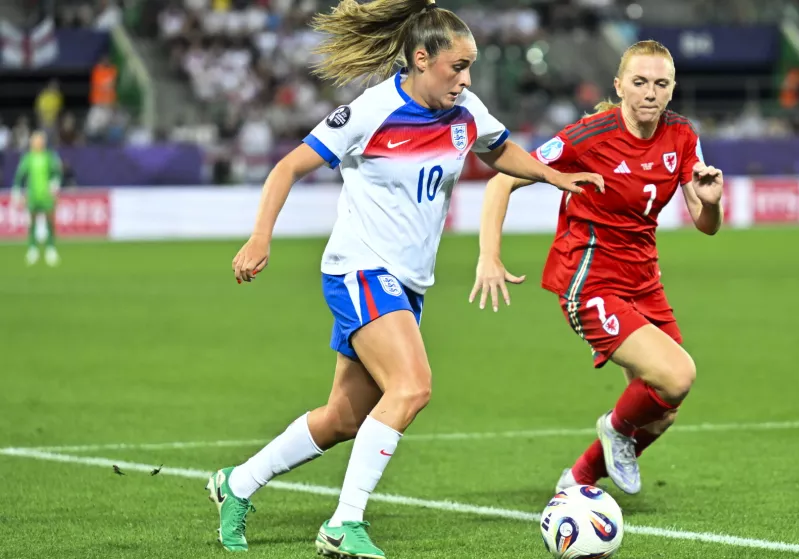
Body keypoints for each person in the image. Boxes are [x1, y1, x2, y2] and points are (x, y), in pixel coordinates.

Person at [209, 0, 603, 556]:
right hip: (360, 268)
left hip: (408, 283)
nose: (465, 80)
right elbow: (288, 166)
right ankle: (344, 524)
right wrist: (259, 237)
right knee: (413, 386)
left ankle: (236, 484)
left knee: (344, 417)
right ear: (421, 59)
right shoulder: (373, 110)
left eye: (469, 68)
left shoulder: (465, 109)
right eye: (456, 68)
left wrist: (549, 174)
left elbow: (499, 150)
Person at [470, 40, 724, 496]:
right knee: (677, 375)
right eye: (640, 82)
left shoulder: (682, 136)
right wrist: (489, 256)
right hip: (589, 279)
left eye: (660, 84)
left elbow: (706, 225)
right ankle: (615, 430)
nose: (650, 92)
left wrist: (712, 204)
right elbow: (502, 181)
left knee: (664, 408)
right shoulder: (588, 136)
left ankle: (579, 480)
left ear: (672, 90)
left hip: (644, 279)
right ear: (620, 86)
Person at [12, 130, 62, 266]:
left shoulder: (49, 157)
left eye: (40, 140)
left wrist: (55, 185)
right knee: (32, 222)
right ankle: (32, 248)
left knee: (50, 221)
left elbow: (57, 173)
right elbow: (19, 176)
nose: (38, 143)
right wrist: (16, 191)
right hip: (32, 196)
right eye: (36, 140)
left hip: (46, 196)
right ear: (32, 142)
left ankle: (50, 248)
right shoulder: (27, 158)